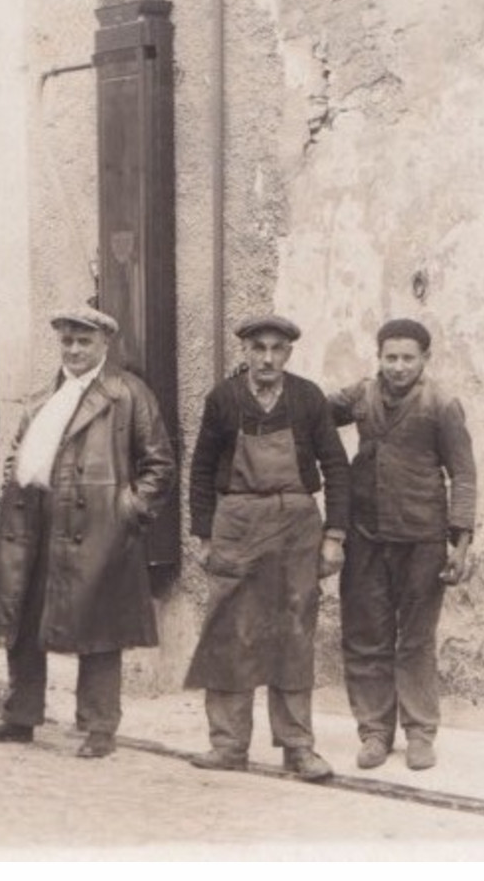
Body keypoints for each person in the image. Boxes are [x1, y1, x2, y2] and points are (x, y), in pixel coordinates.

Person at [0, 307, 175, 759]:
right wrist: (11, 476)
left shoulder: (127, 394)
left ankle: (100, 726)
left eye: (84, 342)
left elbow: (159, 465)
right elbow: (20, 452)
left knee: (99, 626)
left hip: (96, 526)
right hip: (33, 521)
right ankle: (20, 715)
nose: (75, 350)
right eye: (68, 342)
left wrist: (128, 511)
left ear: (105, 344)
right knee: (21, 616)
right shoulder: (44, 397)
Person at [184, 314, 350, 781]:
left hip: (297, 524)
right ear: (244, 351)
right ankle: (229, 744)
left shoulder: (307, 398)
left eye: (278, 349)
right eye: (259, 348)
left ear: (289, 354)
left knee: (293, 635)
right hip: (237, 522)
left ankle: (298, 748)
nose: (268, 358)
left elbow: (337, 468)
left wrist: (334, 536)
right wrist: (204, 536)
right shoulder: (222, 400)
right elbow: (199, 472)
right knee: (229, 633)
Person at [327, 318, 477, 772]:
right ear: (379, 358)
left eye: (407, 358)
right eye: (390, 357)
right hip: (366, 536)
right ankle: (374, 732)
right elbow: (310, 413)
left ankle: (419, 734)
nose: (397, 367)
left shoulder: (442, 405)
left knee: (414, 641)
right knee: (365, 636)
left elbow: (464, 475)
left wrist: (461, 543)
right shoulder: (361, 397)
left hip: (422, 538)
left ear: (425, 360)